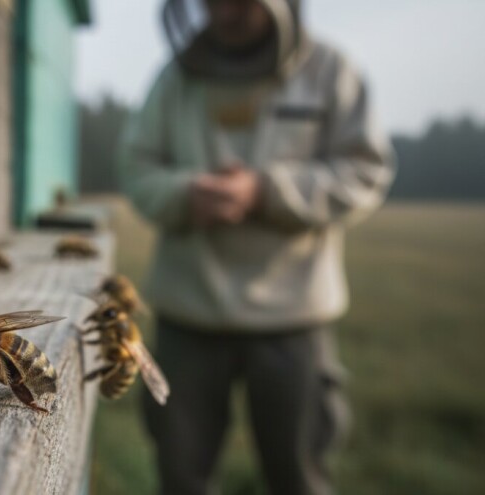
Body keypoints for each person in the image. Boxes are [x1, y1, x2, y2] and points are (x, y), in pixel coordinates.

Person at [117, 0, 395, 494]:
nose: (225, 11)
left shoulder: (329, 69)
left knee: (299, 476)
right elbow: (137, 169)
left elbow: (366, 170)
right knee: (181, 476)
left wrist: (266, 192)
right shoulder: (177, 77)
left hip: (293, 318)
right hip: (189, 312)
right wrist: (185, 195)